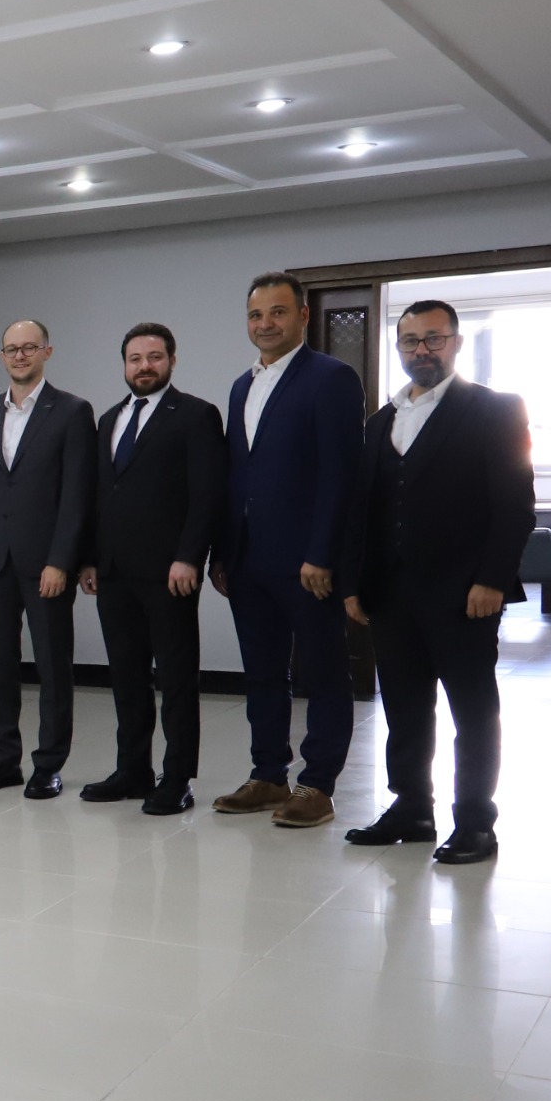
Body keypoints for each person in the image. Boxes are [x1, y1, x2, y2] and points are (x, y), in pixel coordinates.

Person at [339, 301, 534, 864]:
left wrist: (492, 579)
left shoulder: (495, 409)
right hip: (390, 593)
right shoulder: (381, 421)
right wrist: (353, 582)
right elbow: (362, 511)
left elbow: (515, 505)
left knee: (473, 711)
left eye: (434, 338)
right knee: (403, 707)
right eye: (410, 341)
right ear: (399, 347)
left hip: (464, 593)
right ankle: (412, 808)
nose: (421, 350)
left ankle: (475, 823)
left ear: (456, 343)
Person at [209, 272, 365, 829]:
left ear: (302, 315)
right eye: (256, 315)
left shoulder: (331, 378)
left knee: (323, 673)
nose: (265, 324)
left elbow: (340, 475)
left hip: (307, 563)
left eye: (277, 312)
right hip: (247, 560)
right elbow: (237, 474)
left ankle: (317, 784)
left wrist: (322, 553)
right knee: (262, 673)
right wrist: (223, 552)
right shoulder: (241, 386)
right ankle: (268, 774)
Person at [78, 325, 225, 816]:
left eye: (154, 357)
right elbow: (101, 494)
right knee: (126, 676)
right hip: (114, 571)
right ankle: (132, 770)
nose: (144, 366)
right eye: (135, 358)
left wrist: (190, 556)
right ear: (124, 364)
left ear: (172, 361)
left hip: (169, 572)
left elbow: (207, 494)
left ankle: (177, 777)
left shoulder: (197, 415)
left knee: (177, 678)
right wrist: (90, 558)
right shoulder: (110, 419)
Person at [0, 320, 95, 799]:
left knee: (53, 667)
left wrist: (62, 560)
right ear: (2, 356)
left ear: (46, 352)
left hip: (45, 564)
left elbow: (76, 494)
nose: (19, 355)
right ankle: (3, 761)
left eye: (29, 347)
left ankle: (48, 764)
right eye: (11, 349)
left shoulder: (71, 411)